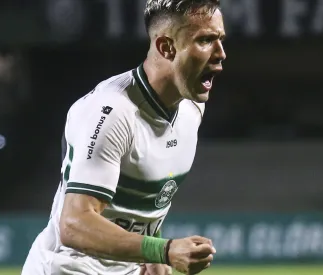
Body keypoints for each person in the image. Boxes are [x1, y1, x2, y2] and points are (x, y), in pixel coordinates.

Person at [21, 0, 226, 274]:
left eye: (220, 40)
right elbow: (74, 223)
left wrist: (151, 257)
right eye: (205, 40)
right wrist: (163, 250)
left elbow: (142, 203)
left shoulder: (191, 107)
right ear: (166, 47)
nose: (221, 53)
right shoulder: (111, 112)